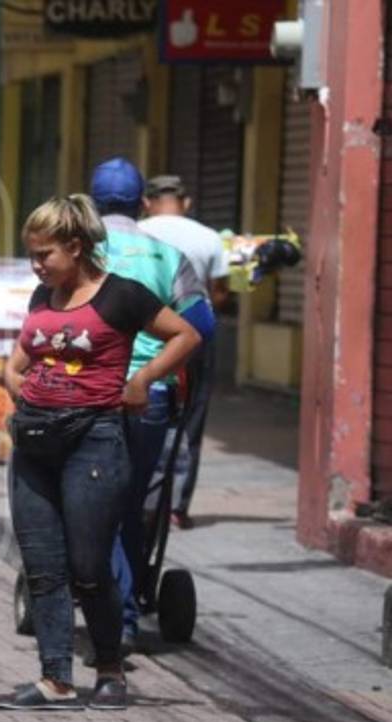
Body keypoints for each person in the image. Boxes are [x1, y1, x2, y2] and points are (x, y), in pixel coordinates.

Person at [0, 196, 200, 714]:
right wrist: (21, 390)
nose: (36, 265)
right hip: (35, 443)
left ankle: (109, 670)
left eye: (44, 253)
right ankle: (55, 680)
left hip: (95, 441)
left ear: (76, 246)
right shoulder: (43, 295)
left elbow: (186, 335)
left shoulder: (121, 295)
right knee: (43, 566)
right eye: (32, 254)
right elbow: (17, 362)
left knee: (89, 566)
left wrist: (143, 380)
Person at [89, 158, 214, 649]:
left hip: (87, 395)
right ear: (142, 203)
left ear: (93, 202)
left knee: (90, 502)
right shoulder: (167, 256)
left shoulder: (79, 251)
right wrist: (154, 369)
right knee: (130, 501)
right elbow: (201, 326)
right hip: (151, 397)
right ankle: (123, 608)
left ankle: (112, 613)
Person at [139, 175, 229, 529]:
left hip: (145, 335)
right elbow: (218, 294)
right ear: (186, 202)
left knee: (142, 409)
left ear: (147, 203)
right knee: (190, 418)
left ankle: (141, 497)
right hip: (195, 336)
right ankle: (176, 507)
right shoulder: (208, 238)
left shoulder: (136, 233)